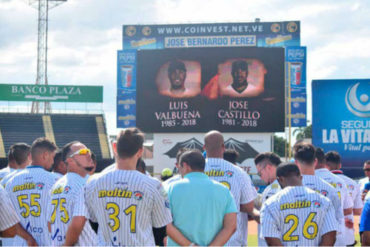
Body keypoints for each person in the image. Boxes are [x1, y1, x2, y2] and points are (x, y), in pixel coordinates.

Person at [84, 128, 172, 246]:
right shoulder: (154, 185)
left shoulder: (93, 182)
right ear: (140, 151)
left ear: (114, 147)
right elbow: (160, 229)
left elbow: (93, 222)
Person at [166, 150, 237, 246]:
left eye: (180, 168)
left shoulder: (170, 189)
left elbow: (165, 224)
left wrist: (190, 245)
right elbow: (231, 226)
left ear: (185, 166)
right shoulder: (224, 191)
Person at [260, 162, 337, 246]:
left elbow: (271, 239)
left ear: (280, 180)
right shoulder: (324, 201)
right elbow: (330, 235)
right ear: (301, 177)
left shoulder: (270, 204)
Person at [203, 130, 258, 246]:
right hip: (232, 240)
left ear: (204, 147)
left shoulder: (194, 171)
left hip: (201, 239)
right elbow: (249, 206)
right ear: (223, 147)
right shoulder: (239, 172)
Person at [5, 137, 58, 246]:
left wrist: (28, 238)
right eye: (53, 157)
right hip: (47, 242)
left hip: (21, 243)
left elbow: (8, 218)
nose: (53, 161)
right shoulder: (55, 181)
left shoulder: (11, 182)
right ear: (45, 155)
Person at [293, 143, 344, 246]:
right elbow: (337, 223)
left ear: (296, 163)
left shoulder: (285, 189)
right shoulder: (330, 189)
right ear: (315, 161)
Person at [48, 141, 97, 246]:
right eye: (83, 152)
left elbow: (49, 223)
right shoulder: (84, 184)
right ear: (70, 160)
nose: (88, 154)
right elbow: (78, 221)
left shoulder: (56, 185)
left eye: (88, 151)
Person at [314, 148, 353, 245]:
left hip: (315, 234)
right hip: (337, 234)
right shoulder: (340, 181)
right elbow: (348, 209)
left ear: (314, 161)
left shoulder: (308, 180)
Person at [325, 150, 363, 246]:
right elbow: (358, 211)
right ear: (340, 165)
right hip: (347, 234)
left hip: (327, 234)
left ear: (326, 165)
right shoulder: (353, 183)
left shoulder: (321, 181)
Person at [254, 152, 282, 246]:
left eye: (259, 173)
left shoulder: (274, 188)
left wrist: (251, 210)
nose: (260, 176)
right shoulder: (280, 184)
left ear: (268, 168)